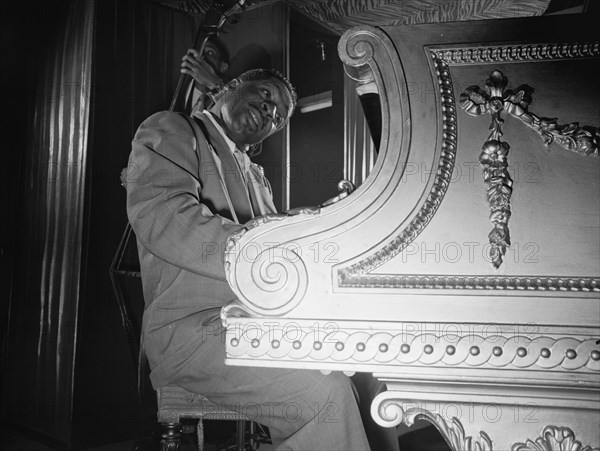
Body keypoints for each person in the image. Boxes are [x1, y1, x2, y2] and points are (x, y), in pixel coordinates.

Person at [125, 69, 372, 450]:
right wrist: (264, 250)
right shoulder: (173, 128)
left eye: (278, 118)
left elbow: (267, 236)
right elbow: (163, 218)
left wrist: (317, 221)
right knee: (323, 396)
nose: (270, 111)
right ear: (228, 88)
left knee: (360, 366)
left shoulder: (256, 176)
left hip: (249, 323)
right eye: (265, 95)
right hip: (191, 329)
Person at [180, 34, 230, 114]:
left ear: (223, 67)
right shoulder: (177, 92)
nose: (201, 57)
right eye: (199, 52)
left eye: (210, 53)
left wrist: (213, 83)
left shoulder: (229, 97)